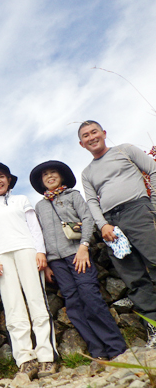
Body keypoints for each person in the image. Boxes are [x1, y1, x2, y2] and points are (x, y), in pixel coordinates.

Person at [30, 160, 126, 362]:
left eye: (53, 172)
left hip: (77, 254)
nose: (49, 176)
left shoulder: (73, 195)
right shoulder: (39, 206)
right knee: (73, 304)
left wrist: (84, 246)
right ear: (41, 182)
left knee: (90, 297)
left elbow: (88, 219)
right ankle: (97, 350)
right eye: (45, 174)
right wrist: (46, 263)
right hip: (56, 261)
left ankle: (116, 348)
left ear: (62, 176)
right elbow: (39, 234)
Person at [79, 120, 156, 347]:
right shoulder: (87, 172)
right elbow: (92, 201)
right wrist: (102, 225)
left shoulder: (125, 150)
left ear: (104, 133)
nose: (91, 137)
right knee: (133, 277)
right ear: (81, 144)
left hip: (137, 210)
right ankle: (154, 327)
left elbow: (153, 169)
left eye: (94, 132)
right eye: (86, 135)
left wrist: (153, 206)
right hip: (112, 224)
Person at [0, 162, 58, 381]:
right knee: (13, 307)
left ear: (9, 180)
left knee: (37, 302)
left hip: (27, 250)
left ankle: (46, 357)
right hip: (2, 256)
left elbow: (34, 227)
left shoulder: (21, 200)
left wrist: (40, 252)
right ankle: (25, 360)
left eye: (2, 176)